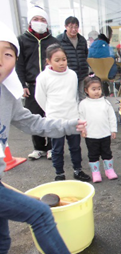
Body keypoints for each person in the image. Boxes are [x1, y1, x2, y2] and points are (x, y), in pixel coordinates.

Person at [0, 22, 121, 254]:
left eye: (6, 54)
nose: (0, 60)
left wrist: (69, 125)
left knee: (3, 240)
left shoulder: (6, 96)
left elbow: (34, 123)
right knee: (40, 212)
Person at [35, 44, 91, 182]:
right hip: (55, 120)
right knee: (57, 149)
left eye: (64, 59)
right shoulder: (43, 77)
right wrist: (51, 111)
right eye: (57, 60)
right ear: (48, 61)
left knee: (75, 147)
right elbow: (40, 98)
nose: (61, 63)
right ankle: (59, 173)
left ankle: (78, 170)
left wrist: (76, 113)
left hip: (72, 117)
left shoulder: (72, 74)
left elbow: (74, 95)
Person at [16, 6, 59, 160]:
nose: (39, 23)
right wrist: (22, 84)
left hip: (50, 85)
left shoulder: (53, 41)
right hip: (31, 85)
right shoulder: (22, 40)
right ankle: (38, 147)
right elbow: (19, 64)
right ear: (30, 22)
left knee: (51, 115)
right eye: (36, 19)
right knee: (34, 116)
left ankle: (51, 147)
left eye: (42, 20)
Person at [79, 75, 118, 183]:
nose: (97, 92)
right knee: (93, 154)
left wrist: (113, 130)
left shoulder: (105, 103)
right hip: (91, 135)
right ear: (86, 90)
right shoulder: (83, 104)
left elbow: (112, 117)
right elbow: (81, 118)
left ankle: (109, 170)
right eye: (93, 89)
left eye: (99, 89)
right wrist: (83, 130)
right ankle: (95, 172)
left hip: (105, 134)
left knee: (107, 153)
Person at [57, 16, 89, 101]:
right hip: (67, 74)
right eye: (71, 27)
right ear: (65, 26)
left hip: (82, 74)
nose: (74, 29)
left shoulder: (82, 40)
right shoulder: (59, 40)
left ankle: (83, 113)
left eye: (76, 27)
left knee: (83, 96)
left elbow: (85, 55)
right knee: (71, 97)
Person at [88, 26, 117, 96]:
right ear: (109, 35)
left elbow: (88, 61)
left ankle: (104, 92)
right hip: (109, 75)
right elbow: (112, 60)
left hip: (96, 74)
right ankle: (112, 92)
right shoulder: (107, 47)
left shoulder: (92, 46)